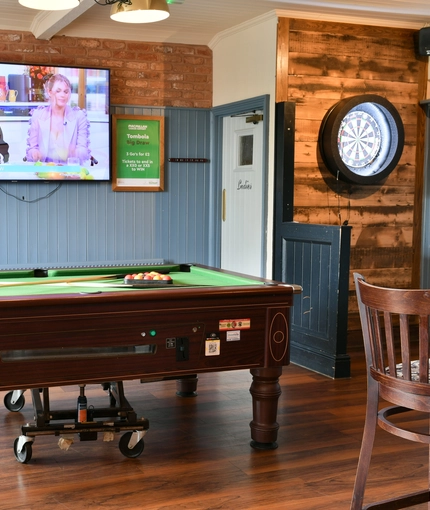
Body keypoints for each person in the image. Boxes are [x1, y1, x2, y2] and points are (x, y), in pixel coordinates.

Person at [25, 73, 90, 165]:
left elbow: (84, 150)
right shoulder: (38, 115)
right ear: (49, 92)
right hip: (44, 172)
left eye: (66, 91)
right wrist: (34, 153)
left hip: (70, 173)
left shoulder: (79, 117)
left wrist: (75, 152)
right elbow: (32, 149)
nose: (62, 95)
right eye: (58, 91)